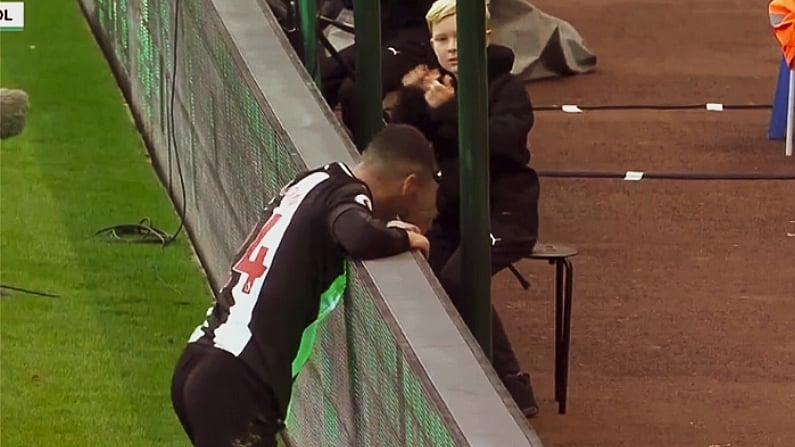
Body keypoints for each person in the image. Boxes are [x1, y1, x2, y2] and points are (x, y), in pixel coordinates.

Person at [170, 124, 438, 447]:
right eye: (423, 211)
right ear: (409, 186)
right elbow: (357, 234)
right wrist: (404, 236)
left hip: (205, 358)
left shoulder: (315, 180)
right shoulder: (350, 195)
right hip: (237, 380)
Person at [390, 0, 542, 418]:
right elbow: (408, 143)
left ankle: (513, 386)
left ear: (485, 37)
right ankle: (453, 378)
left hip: (505, 215)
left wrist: (452, 110)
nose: (452, 47)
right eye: (442, 39)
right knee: (425, 278)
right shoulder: (435, 86)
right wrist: (409, 99)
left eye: (461, 37)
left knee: (461, 278)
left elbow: (501, 143)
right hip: (456, 215)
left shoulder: (505, 88)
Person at [319, 0, 438, 147]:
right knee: (322, 76)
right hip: (380, 35)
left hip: (418, 35)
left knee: (357, 90)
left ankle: (372, 156)